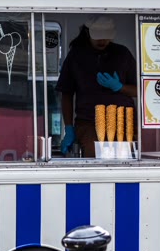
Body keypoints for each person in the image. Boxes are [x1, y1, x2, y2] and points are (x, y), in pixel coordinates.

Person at [55, 16, 137, 158]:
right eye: (98, 37)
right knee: (94, 159)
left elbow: (140, 90)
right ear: (88, 33)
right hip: (88, 121)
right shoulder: (76, 56)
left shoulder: (122, 54)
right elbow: (66, 94)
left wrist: (119, 87)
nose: (102, 41)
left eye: (106, 37)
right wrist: (68, 128)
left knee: (125, 160)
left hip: (123, 120)